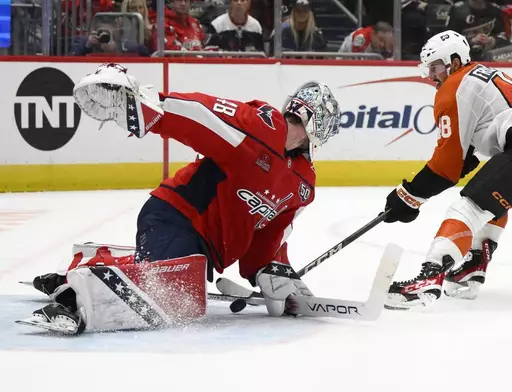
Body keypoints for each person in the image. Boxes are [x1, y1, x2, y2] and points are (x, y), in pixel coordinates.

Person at [18, 63, 341, 334]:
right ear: (323, 127)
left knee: (182, 285)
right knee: (175, 297)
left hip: (201, 248)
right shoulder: (262, 127)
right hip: (175, 216)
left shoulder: (302, 185)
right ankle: (73, 300)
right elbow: (204, 118)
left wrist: (269, 269)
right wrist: (150, 106)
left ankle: (88, 264)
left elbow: (270, 233)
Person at [382, 30, 512, 309]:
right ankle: (472, 267)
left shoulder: (454, 85)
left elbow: (446, 167)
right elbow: (472, 150)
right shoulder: (483, 75)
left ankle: (428, 280)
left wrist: (408, 196)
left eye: (436, 67)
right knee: (492, 200)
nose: (431, 76)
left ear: (453, 62)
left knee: (469, 207)